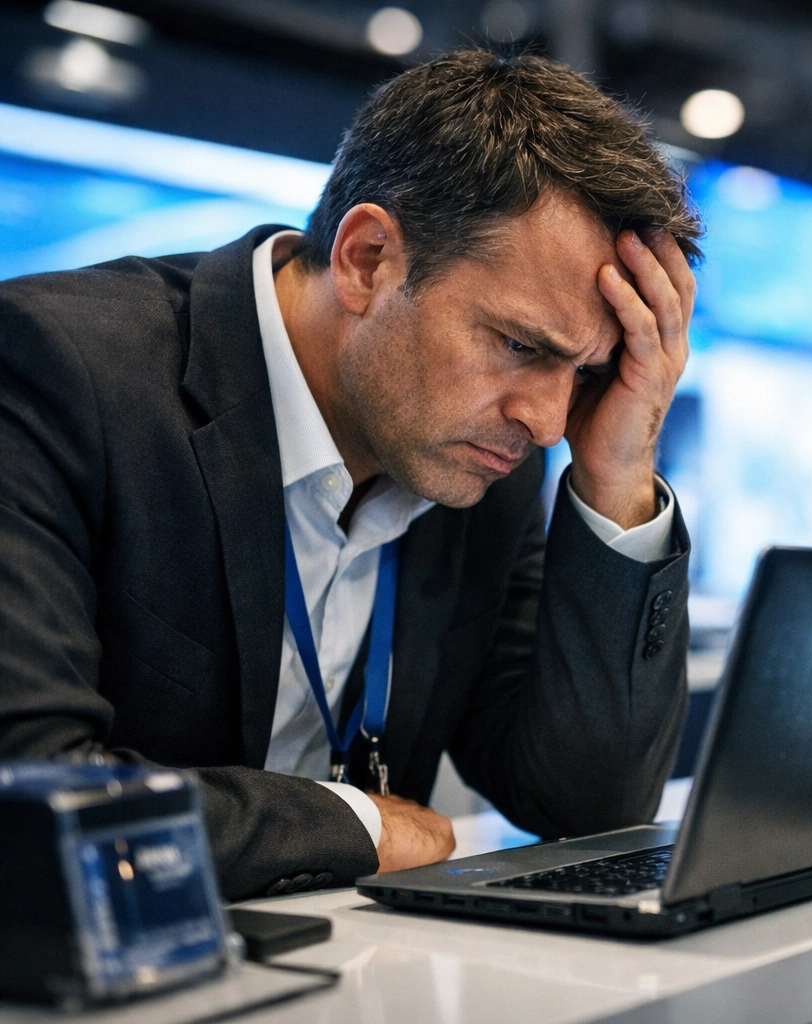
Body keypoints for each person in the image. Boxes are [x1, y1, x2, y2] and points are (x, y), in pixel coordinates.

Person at [0, 50, 701, 901]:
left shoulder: (484, 464)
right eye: (520, 346)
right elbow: (30, 802)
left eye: (586, 373)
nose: (549, 423)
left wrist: (618, 478)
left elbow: (587, 804)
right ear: (369, 258)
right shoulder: (53, 372)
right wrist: (356, 823)